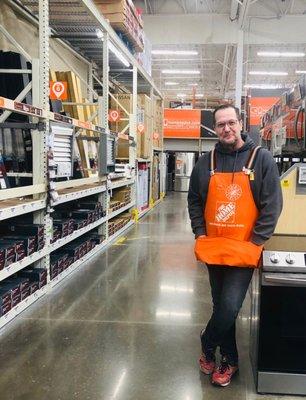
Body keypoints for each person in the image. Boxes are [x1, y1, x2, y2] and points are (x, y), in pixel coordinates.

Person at [187, 104, 282, 387]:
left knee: (229, 306)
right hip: (214, 248)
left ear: (241, 124)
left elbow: (272, 204)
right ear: (214, 129)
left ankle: (207, 342)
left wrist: (256, 241)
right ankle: (229, 360)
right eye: (220, 125)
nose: (226, 129)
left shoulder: (261, 159)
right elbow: (194, 199)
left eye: (231, 122)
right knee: (220, 306)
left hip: (244, 250)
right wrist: (200, 232)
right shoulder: (206, 162)